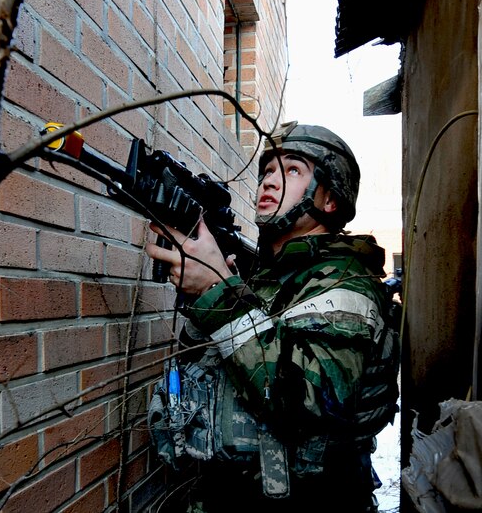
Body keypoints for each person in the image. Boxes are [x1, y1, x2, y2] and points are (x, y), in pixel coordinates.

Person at [146, 122, 399, 512]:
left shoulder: (346, 285)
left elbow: (311, 402)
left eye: (292, 170)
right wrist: (209, 296)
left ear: (329, 199)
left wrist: (219, 291)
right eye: (266, 171)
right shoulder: (266, 277)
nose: (269, 182)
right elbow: (205, 362)